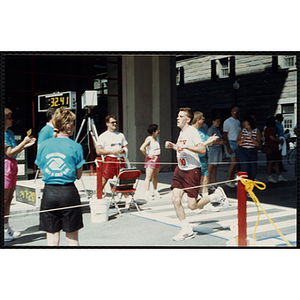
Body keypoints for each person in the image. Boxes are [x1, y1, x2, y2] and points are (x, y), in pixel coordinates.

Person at [165, 108, 229, 242]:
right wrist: (173, 146)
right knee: (175, 199)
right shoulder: (182, 132)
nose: (177, 118)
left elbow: (201, 150)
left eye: (180, 116)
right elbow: (182, 148)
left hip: (191, 171)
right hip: (180, 170)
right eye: (177, 116)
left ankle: (217, 195)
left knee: (192, 206)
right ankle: (186, 230)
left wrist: (187, 146)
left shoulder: (192, 132)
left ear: (187, 119)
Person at [35, 108, 85, 246]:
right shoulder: (76, 146)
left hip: (49, 192)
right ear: (68, 125)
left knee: (51, 237)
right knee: (72, 237)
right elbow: (79, 175)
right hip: (68, 192)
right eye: (73, 123)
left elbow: (42, 170)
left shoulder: (44, 146)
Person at [4, 108, 36, 242]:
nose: (12, 120)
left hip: (13, 164)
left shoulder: (10, 132)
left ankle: (6, 226)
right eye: (9, 118)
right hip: (6, 164)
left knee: (10, 197)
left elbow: (14, 152)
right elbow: (9, 153)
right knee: (4, 198)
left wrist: (26, 145)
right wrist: (24, 142)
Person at [96, 115, 131, 209]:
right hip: (110, 159)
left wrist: (123, 151)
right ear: (107, 124)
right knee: (104, 179)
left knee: (123, 180)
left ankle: (127, 198)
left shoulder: (120, 135)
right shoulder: (103, 136)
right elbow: (98, 151)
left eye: (116, 122)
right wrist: (112, 151)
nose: (115, 124)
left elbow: (125, 146)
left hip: (120, 159)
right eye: (112, 122)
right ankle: (97, 197)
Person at [191, 111, 219, 212]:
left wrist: (212, 140)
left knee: (205, 180)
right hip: (193, 159)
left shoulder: (202, 130)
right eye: (202, 118)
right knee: (194, 181)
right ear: (198, 120)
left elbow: (207, 143)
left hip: (202, 158)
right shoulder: (190, 131)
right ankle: (194, 203)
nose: (204, 120)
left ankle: (206, 203)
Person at [140, 124, 161, 201]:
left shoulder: (156, 138)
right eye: (157, 130)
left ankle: (155, 190)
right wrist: (148, 155)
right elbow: (142, 148)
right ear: (153, 131)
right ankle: (147, 193)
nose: (159, 131)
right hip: (151, 159)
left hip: (157, 158)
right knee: (148, 176)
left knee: (155, 176)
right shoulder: (149, 139)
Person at [264, 116, 287, 183]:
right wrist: (279, 141)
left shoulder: (272, 129)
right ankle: (269, 176)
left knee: (276, 162)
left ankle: (279, 176)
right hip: (271, 147)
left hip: (275, 147)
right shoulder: (268, 129)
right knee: (270, 162)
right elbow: (272, 138)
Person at [237, 116, 261, 180]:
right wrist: (243, 139)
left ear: (249, 123)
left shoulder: (256, 131)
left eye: (245, 122)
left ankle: (251, 180)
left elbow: (258, 144)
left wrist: (251, 138)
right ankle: (246, 184)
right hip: (243, 150)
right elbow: (238, 142)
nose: (243, 123)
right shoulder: (242, 131)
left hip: (252, 150)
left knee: (253, 169)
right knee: (245, 168)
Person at [223, 107, 241, 188]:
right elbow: (225, 134)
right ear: (231, 112)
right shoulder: (227, 121)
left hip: (237, 142)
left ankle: (232, 179)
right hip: (230, 142)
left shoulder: (238, 121)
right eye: (234, 112)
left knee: (236, 162)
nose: (236, 113)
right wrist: (228, 146)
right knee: (233, 162)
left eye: (237, 112)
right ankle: (228, 179)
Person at [207, 116, 225, 191]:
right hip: (212, 150)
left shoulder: (217, 130)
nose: (218, 123)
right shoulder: (210, 130)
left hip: (218, 149)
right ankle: (208, 183)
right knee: (210, 167)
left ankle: (214, 182)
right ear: (213, 121)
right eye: (217, 121)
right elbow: (209, 142)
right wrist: (218, 142)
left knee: (215, 167)